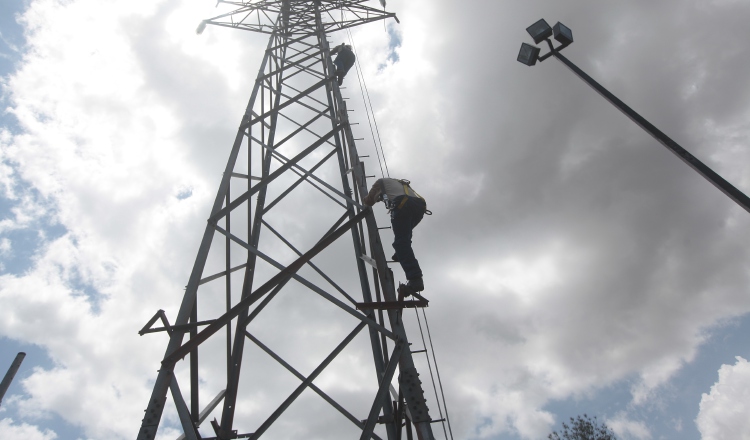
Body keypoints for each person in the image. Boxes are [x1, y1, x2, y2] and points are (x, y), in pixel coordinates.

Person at [364, 178, 428, 292]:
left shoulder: (380, 182)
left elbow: (369, 201)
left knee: (401, 243)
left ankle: (415, 279)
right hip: (419, 207)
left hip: (402, 204)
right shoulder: (400, 183)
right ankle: (400, 254)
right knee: (404, 237)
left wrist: (367, 198)